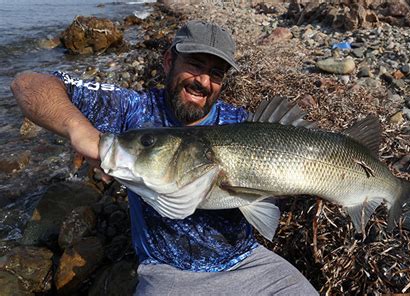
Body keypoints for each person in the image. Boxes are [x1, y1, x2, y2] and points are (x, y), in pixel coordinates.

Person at [12, 20, 318, 295]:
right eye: (195, 65)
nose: (203, 82)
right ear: (169, 60)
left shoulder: (242, 125)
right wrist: (83, 135)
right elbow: (28, 84)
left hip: (250, 265)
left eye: (216, 73)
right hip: (169, 274)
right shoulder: (134, 111)